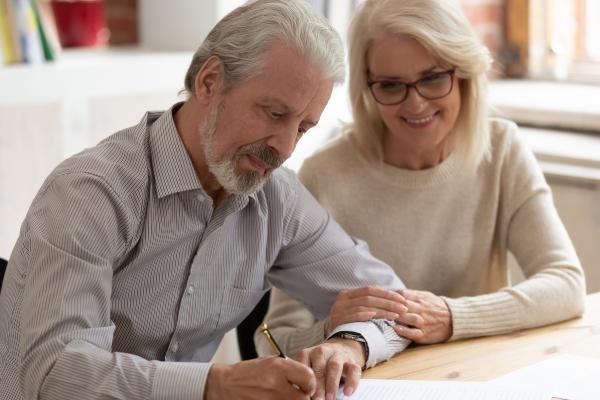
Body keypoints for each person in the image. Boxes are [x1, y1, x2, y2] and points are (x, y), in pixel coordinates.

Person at [0, 1, 413, 399]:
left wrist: (349, 345)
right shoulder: (90, 193)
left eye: (303, 127)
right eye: (273, 114)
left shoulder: (276, 197)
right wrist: (217, 386)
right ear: (210, 81)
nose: (285, 147)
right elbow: (57, 374)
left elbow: (397, 307)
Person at [256, 0, 586, 358]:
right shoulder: (323, 175)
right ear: (367, 87)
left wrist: (450, 317)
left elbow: (566, 284)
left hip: (478, 377)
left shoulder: (502, 149)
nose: (414, 105)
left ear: (463, 73)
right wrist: (332, 332)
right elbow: (272, 342)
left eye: (432, 78)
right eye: (391, 85)